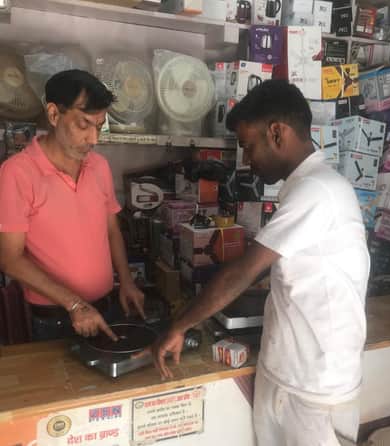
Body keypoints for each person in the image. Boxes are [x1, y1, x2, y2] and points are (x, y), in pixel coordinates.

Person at [142, 80, 370, 445]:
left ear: (277, 133)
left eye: (248, 146)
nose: (247, 160)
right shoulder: (305, 187)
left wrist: (179, 326)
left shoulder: (318, 190)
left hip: (315, 389)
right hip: (287, 374)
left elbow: (242, 273)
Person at [0, 69, 145, 342]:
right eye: (84, 125)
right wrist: (75, 305)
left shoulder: (99, 166)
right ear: (54, 114)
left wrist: (126, 281)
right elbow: (10, 260)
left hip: (105, 305)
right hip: (55, 317)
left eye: (99, 126)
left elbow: (111, 231)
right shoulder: (17, 173)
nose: (94, 139)